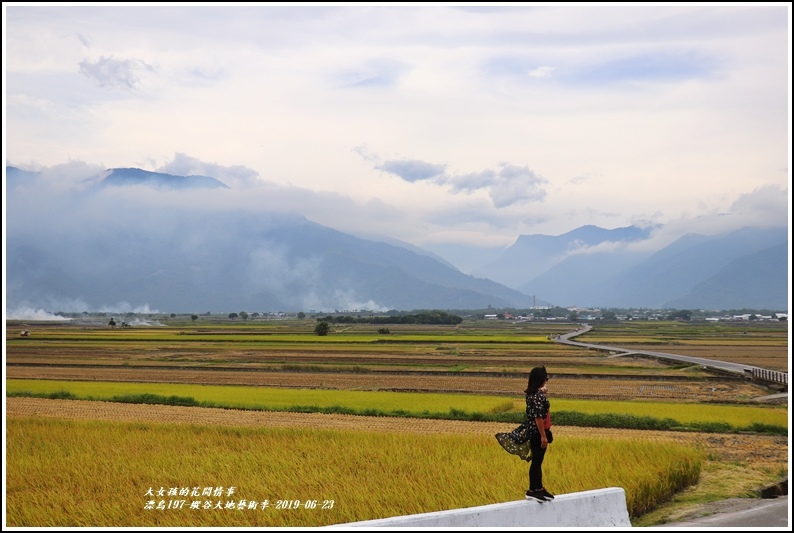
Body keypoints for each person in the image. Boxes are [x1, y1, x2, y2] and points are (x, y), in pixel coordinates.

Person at [524, 365, 554, 502]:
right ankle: (532, 490)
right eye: (545, 379)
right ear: (540, 380)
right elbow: (538, 417)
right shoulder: (536, 397)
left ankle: (539, 488)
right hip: (537, 433)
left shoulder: (535, 395)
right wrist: (543, 436)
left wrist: (542, 393)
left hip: (541, 432)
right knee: (536, 462)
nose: (546, 381)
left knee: (539, 461)